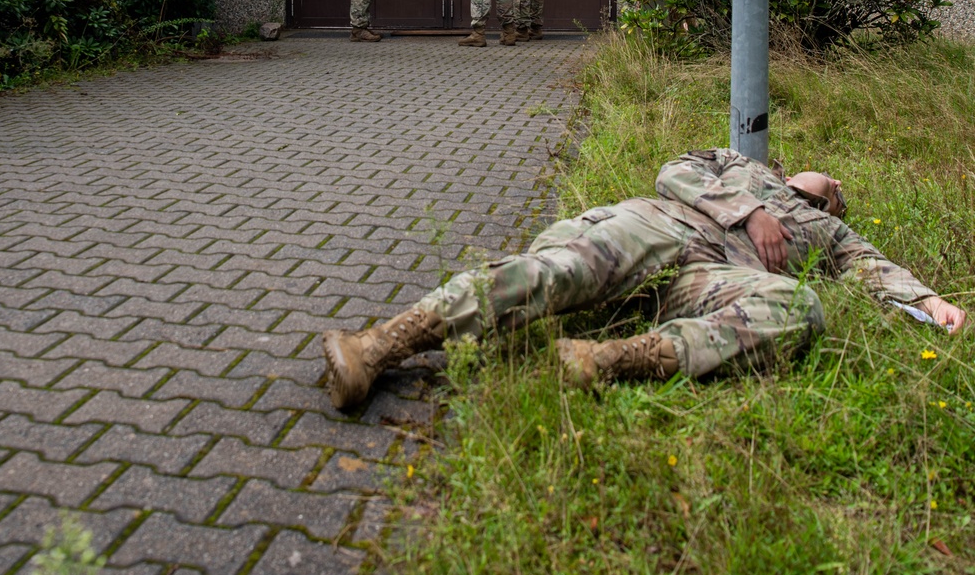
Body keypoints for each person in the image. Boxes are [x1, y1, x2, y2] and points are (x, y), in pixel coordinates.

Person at [322, 147, 965, 409]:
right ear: (803, 173)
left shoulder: (832, 234)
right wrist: (753, 208)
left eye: (839, 199)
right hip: (663, 226)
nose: (836, 190)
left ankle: (604, 360)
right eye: (831, 183)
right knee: (564, 273)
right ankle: (377, 347)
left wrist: (929, 300)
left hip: (712, 278)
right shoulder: (743, 167)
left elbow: (874, 269)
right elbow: (672, 172)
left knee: (802, 311)